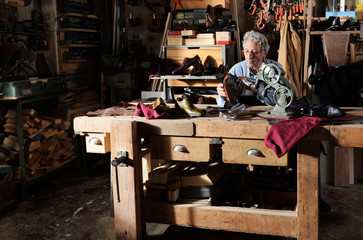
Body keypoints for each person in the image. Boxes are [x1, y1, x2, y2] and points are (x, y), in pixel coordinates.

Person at [216, 30, 283, 108]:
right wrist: (222, 95)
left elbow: (280, 100)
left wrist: (253, 88)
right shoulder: (237, 70)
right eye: (246, 51)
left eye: (254, 52)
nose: (249, 56)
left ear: (265, 53)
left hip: (270, 113)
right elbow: (223, 104)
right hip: (245, 115)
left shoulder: (275, 69)